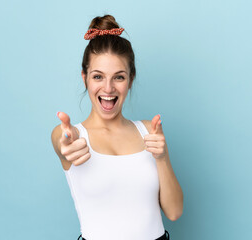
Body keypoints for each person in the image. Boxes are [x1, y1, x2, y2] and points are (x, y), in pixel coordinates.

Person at [51, 14, 183, 240]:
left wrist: (161, 157)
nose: (108, 88)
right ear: (85, 79)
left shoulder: (149, 131)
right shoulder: (73, 136)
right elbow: (61, 140)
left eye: (119, 77)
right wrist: (64, 144)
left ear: (131, 79)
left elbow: (174, 211)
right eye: (98, 76)